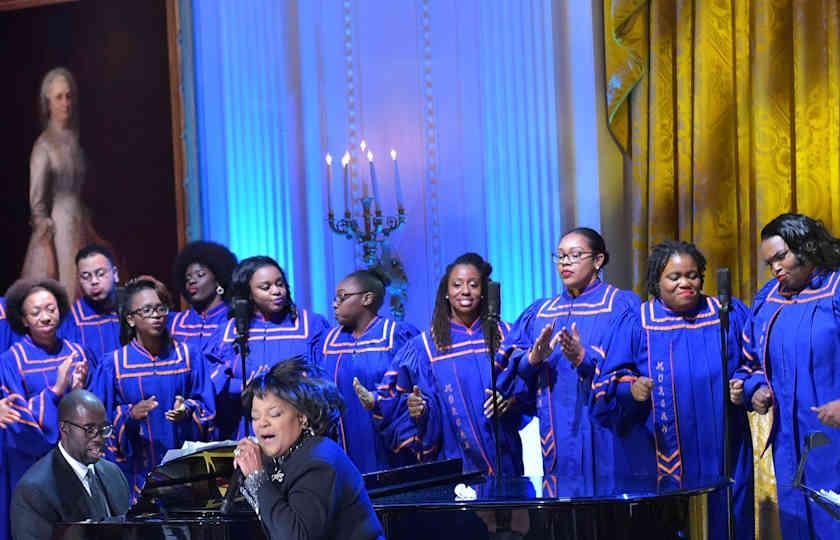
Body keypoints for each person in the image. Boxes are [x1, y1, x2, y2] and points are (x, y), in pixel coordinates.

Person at [596, 240, 754, 539]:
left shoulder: (726, 314)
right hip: (662, 450)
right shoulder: (638, 322)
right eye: (675, 277)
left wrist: (743, 384)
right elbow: (609, 380)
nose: (686, 283)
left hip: (724, 443)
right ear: (657, 281)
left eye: (692, 275)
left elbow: (753, 360)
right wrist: (633, 389)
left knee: (728, 516)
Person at [504, 228, 645, 490]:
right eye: (560, 256)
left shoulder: (620, 306)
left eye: (575, 255)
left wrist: (583, 359)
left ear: (598, 260)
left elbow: (634, 369)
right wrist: (533, 358)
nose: (565, 262)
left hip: (606, 434)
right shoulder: (541, 312)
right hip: (557, 434)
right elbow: (512, 371)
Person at [734, 213, 840, 540]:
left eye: (782, 257)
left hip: (834, 437)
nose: (776, 268)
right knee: (798, 524)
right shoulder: (768, 299)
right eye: (770, 263)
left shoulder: (836, 290)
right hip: (788, 441)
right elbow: (748, 362)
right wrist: (754, 389)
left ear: (806, 247)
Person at [88, 276, 215, 499]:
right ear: (130, 319)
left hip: (185, 475)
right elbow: (98, 423)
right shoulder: (114, 364)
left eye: (161, 308)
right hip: (135, 477)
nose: (156, 315)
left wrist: (187, 410)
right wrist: (129, 414)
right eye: (147, 310)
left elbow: (208, 410)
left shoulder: (189, 356)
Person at [233, 357, 385, 540]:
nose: (262, 424)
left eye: (274, 414)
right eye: (255, 417)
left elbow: (294, 536)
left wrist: (257, 477)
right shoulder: (280, 456)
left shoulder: (319, 461)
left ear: (302, 417)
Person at [204, 256, 329, 440]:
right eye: (266, 287)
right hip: (249, 427)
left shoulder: (310, 325)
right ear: (248, 294)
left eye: (280, 284)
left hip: (301, 424)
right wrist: (246, 386)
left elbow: (327, 375)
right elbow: (211, 382)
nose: (276, 291)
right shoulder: (229, 332)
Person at [0, 278, 91, 518]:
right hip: (29, 460)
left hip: (73, 457)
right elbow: (15, 417)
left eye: (51, 309)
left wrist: (78, 391)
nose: (46, 317)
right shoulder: (12, 360)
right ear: (23, 319)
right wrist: (56, 391)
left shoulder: (76, 352)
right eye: (36, 312)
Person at [321, 269, 418, 473]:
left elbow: (413, 387)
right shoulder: (329, 341)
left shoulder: (394, 336)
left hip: (388, 443)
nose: (334, 304)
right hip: (343, 442)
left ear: (367, 298)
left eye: (342, 297)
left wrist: (379, 401)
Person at [21, 68, 106, 299]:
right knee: (68, 286)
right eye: (59, 97)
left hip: (81, 221)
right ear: (48, 102)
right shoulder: (44, 146)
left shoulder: (74, 141)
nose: (65, 103)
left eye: (68, 96)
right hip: (60, 227)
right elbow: (37, 202)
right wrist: (45, 237)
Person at [9, 390, 129, 540]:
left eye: (103, 429)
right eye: (89, 430)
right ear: (64, 428)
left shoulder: (113, 473)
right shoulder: (34, 491)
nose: (99, 438)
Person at [169, 241, 238, 351]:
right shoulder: (175, 322)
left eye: (200, 275)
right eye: (187, 278)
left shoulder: (234, 319)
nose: (192, 281)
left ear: (218, 279)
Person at [58, 245, 121, 359]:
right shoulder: (71, 322)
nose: (94, 281)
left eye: (100, 274)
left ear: (115, 274)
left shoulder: (133, 309)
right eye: (86, 277)